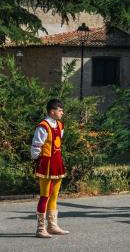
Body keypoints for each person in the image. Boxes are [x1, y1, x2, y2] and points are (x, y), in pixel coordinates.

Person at [31, 99, 70, 238]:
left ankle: (52, 226)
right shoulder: (43, 126)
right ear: (52, 111)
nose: (62, 113)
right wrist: (38, 161)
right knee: (44, 196)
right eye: (60, 110)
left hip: (58, 163)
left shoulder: (60, 125)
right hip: (46, 166)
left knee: (54, 196)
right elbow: (36, 147)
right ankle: (41, 229)